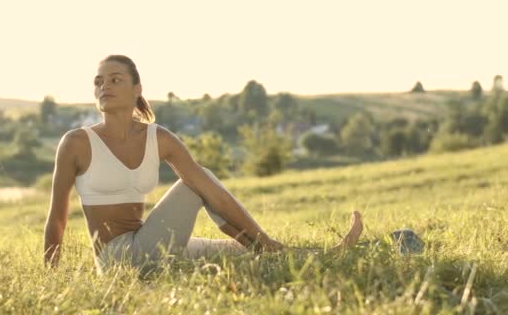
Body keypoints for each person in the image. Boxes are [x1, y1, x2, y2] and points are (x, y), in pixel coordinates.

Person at [43, 55, 363, 271]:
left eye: (114, 80)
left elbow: (217, 196)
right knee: (196, 184)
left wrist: (261, 241)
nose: (104, 87)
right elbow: (57, 217)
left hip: (151, 242)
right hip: (117, 259)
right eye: (99, 81)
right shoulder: (77, 142)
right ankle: (270, 246)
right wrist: (51, 276)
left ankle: (316, 257)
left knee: (245, 253)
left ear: (137, 88)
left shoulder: (159, 138)